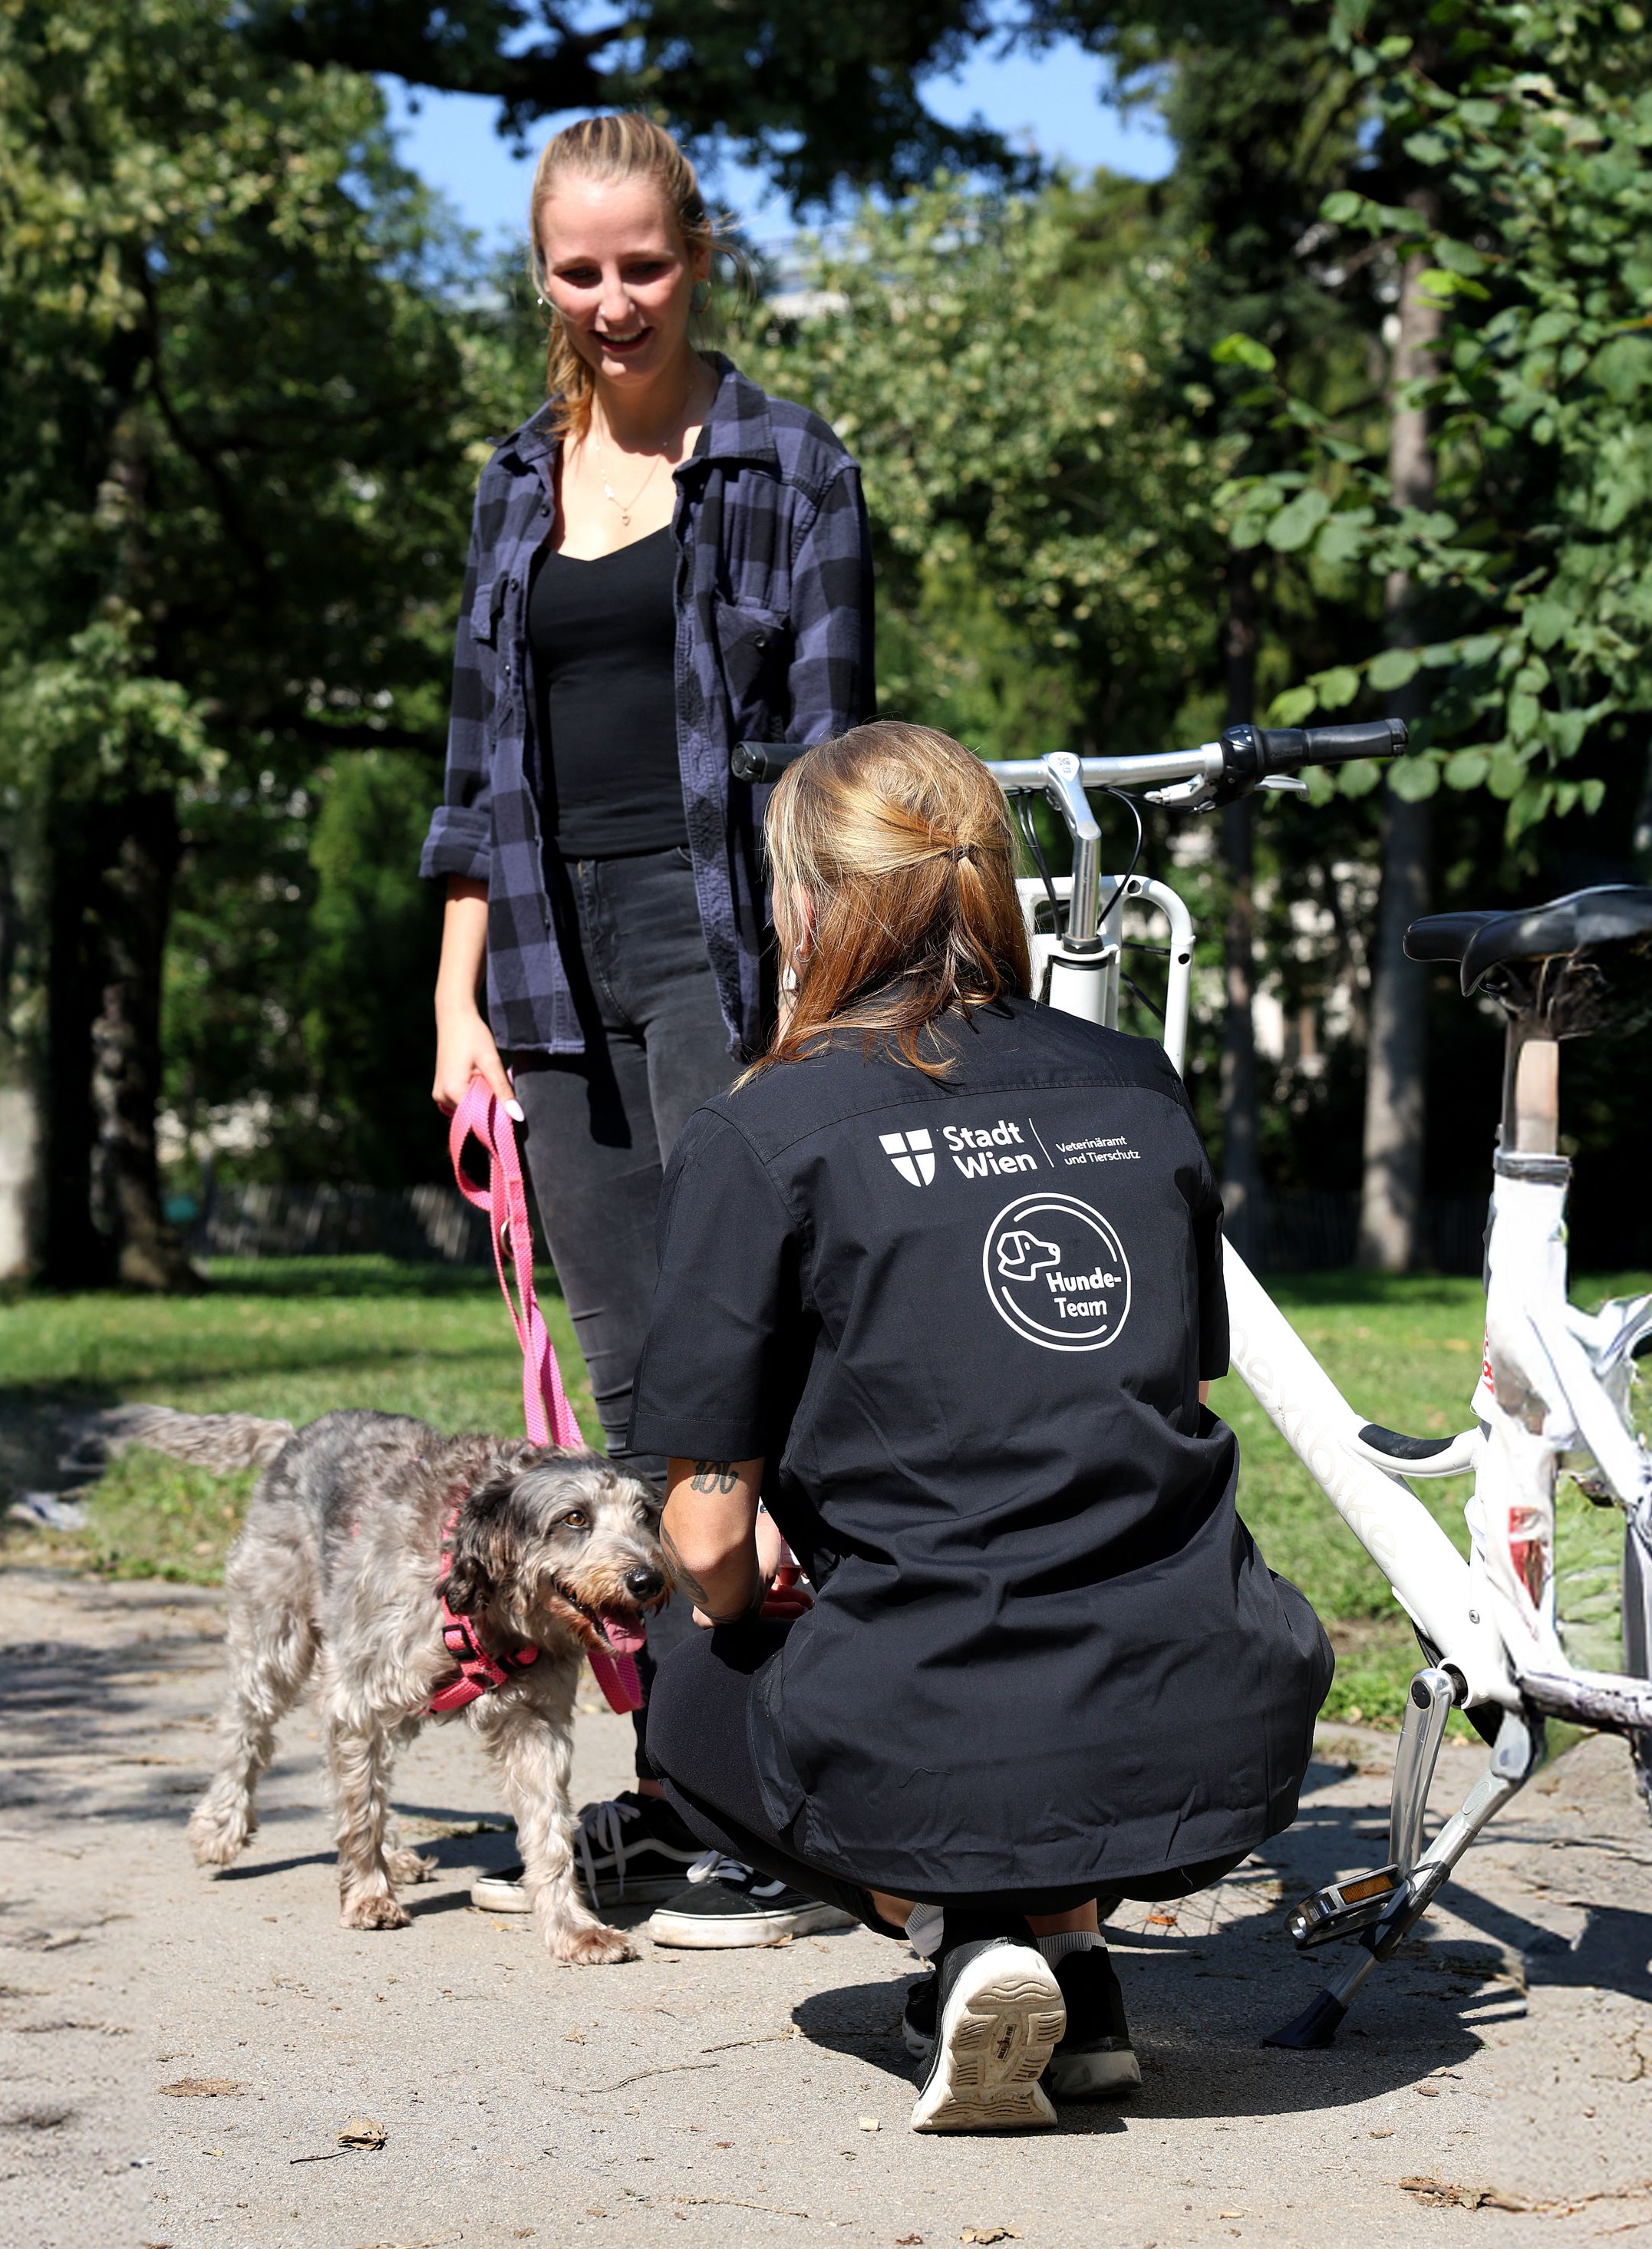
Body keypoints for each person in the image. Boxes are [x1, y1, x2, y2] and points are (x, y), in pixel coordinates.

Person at [631, 721, 1335, 2132]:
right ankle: (1077, 1973)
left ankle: (956, 1940)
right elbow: (1175, 1393)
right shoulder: (1137, 1084)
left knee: (690, 1664)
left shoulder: (764, 1130)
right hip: (1212, 1724)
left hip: (935, 1739)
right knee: (1041, 1647)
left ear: (809, 904)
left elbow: (708, 1536)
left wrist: (751, 1586)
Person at [420, 113, 872, 1945]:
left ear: (696, 257)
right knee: (628, 1390)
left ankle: (823, 1784)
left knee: (753, 1369)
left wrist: (813, 1008)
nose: (611, 302)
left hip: (726, 955)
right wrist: (455, 999)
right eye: (577, 270)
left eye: (642, 265)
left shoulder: (789, 467)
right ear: (541, 275)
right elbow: (474, 766)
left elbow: (832, 769)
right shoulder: (511, 482)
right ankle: (689, 1795)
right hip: (546, 965)